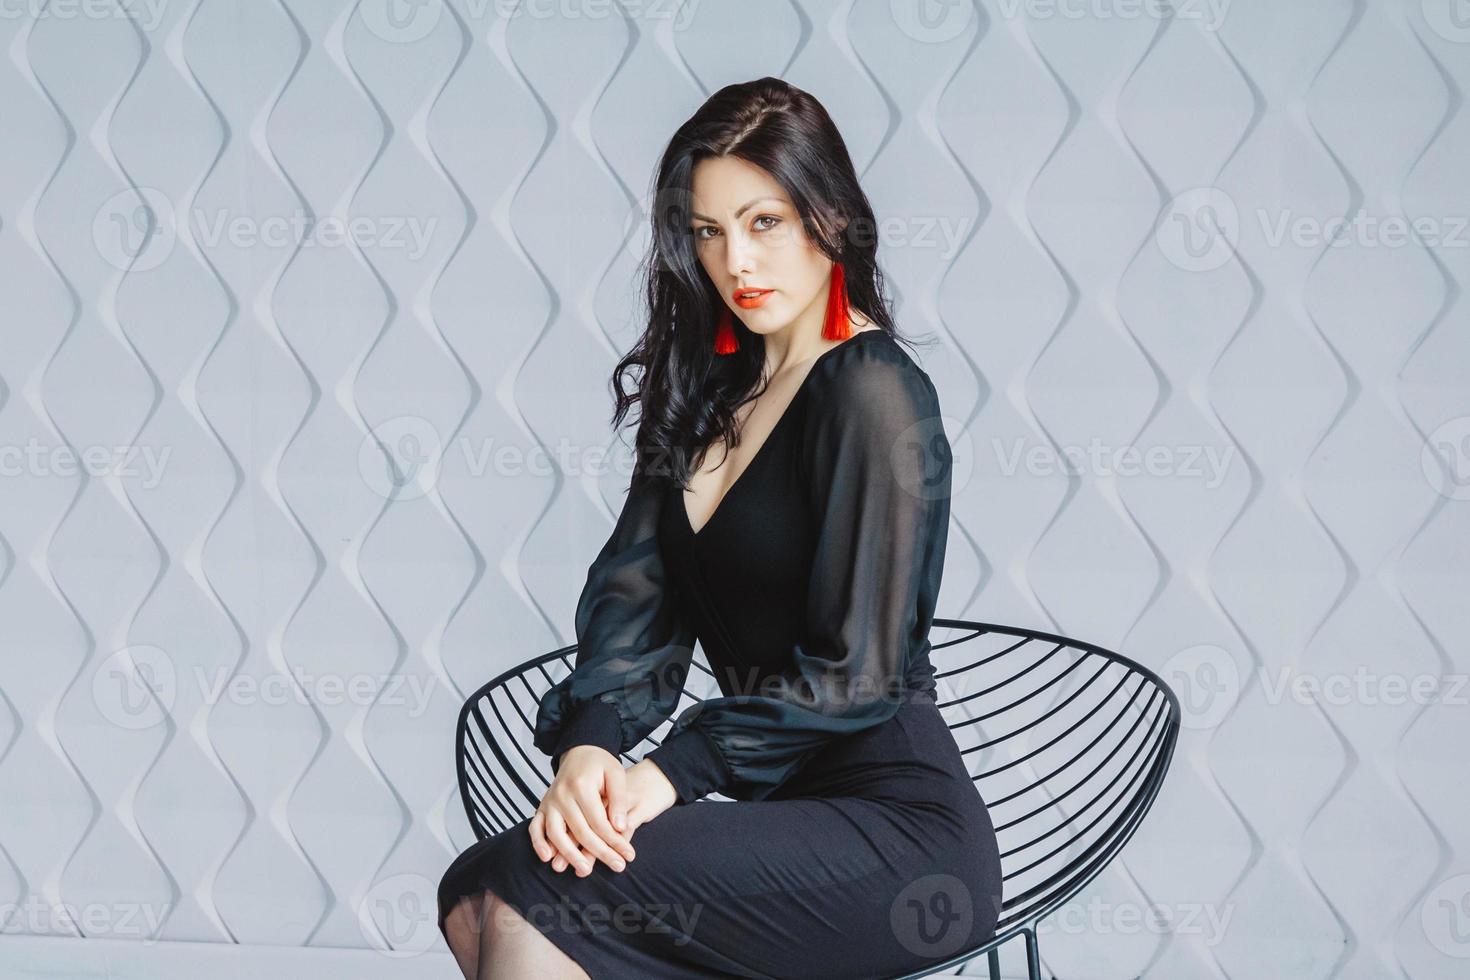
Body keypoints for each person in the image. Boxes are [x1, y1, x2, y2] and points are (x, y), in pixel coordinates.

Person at [436, 76, 1003, 979]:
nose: (736, 260)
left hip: (898, 836)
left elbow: (860, 674)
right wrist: (589, 748)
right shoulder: (710, 395)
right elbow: (635, 600)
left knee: (531, 891)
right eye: (708, 231)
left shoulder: (874, 393)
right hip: (772, 818)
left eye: (764, 222)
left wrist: (669, 772)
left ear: (830, 216)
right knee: (481, 883)